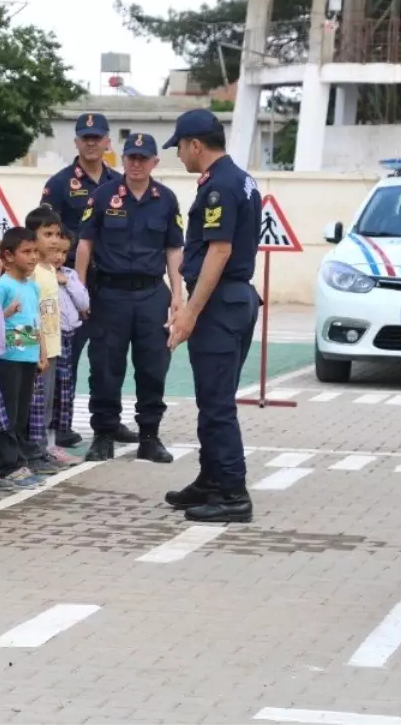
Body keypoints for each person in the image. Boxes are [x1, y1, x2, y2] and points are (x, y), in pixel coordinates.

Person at [165, 109, 262, 524]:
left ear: (196, 145)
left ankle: (233, 493)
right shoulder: (238, 178)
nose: (179, 156)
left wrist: (190, 311)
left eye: (180, 148)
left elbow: (219, 251)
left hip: (222, 303)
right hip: (235, 300)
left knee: (217, 402)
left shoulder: (220, 187)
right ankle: (212, 479)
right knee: (211, 397)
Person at [75, 132, 182, 465]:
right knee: (106, 367)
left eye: (143, 158)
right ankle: (104, 435)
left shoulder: (166, 199)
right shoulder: (103, 196)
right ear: (122, 160)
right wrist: (79, 291)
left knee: (153, 367)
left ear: (154, 162)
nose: (136, 164)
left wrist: (178, 294)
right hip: (110, 294)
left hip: (152, 294)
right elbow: (85, 245)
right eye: (131, 157)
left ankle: (149, 437)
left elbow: (173, 249)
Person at [40, 112, 137, 445]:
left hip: (110, 282)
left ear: (108, 141)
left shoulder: (120, 183)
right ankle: (59, 423)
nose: (92, 142)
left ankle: (108, 420)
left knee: (109, 356)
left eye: (98, 137)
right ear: (77, 142)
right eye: (86, 137)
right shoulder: (59, 184)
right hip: (68, 284)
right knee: (65, 356)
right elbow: (43, 233)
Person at [0, 227, 50, 485]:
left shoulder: (32, 286)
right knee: (8, 413)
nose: (33, 257)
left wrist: (42, 352)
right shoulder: (2, 286)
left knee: (23, 413)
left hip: (28, 357)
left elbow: (36, 322)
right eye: (26, 252)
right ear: (8, 255)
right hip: (8, 359)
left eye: (35, 251)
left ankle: (21, 459)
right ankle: (7, 465)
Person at [24, 206, 79, 469]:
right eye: (47, 234)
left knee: (48, 403)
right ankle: (32, 454)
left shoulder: (49, 270)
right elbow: (27, 313)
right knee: (34, 405)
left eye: (57, 233)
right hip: (36, 349)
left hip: (53, 346)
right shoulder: (32, 271)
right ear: (32, 238)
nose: (55, 240)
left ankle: (45, 448)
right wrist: (35, 349)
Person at [50, 230, 90, 448]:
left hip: (68, 336)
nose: (59, 257)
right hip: (49, 336)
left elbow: (84, 303)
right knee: (49, 386)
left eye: (64, 252)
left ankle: (63, 427)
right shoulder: (39, 275)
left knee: (66, 382)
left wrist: (66, 281)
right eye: (54, 251)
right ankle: (49, 431)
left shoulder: (70, 275)